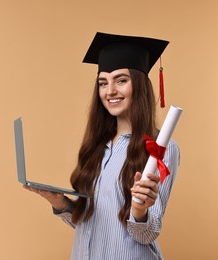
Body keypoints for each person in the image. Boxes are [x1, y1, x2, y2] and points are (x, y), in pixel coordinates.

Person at [23, 32, 180, 259]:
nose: (110, 91)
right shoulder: (97, 145)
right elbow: (91, 225)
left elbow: (147, 235)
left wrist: (139, 210)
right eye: (103, 83)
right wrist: (61, 204)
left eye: (121, 80)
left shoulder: (159, 147)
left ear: (140, 85)